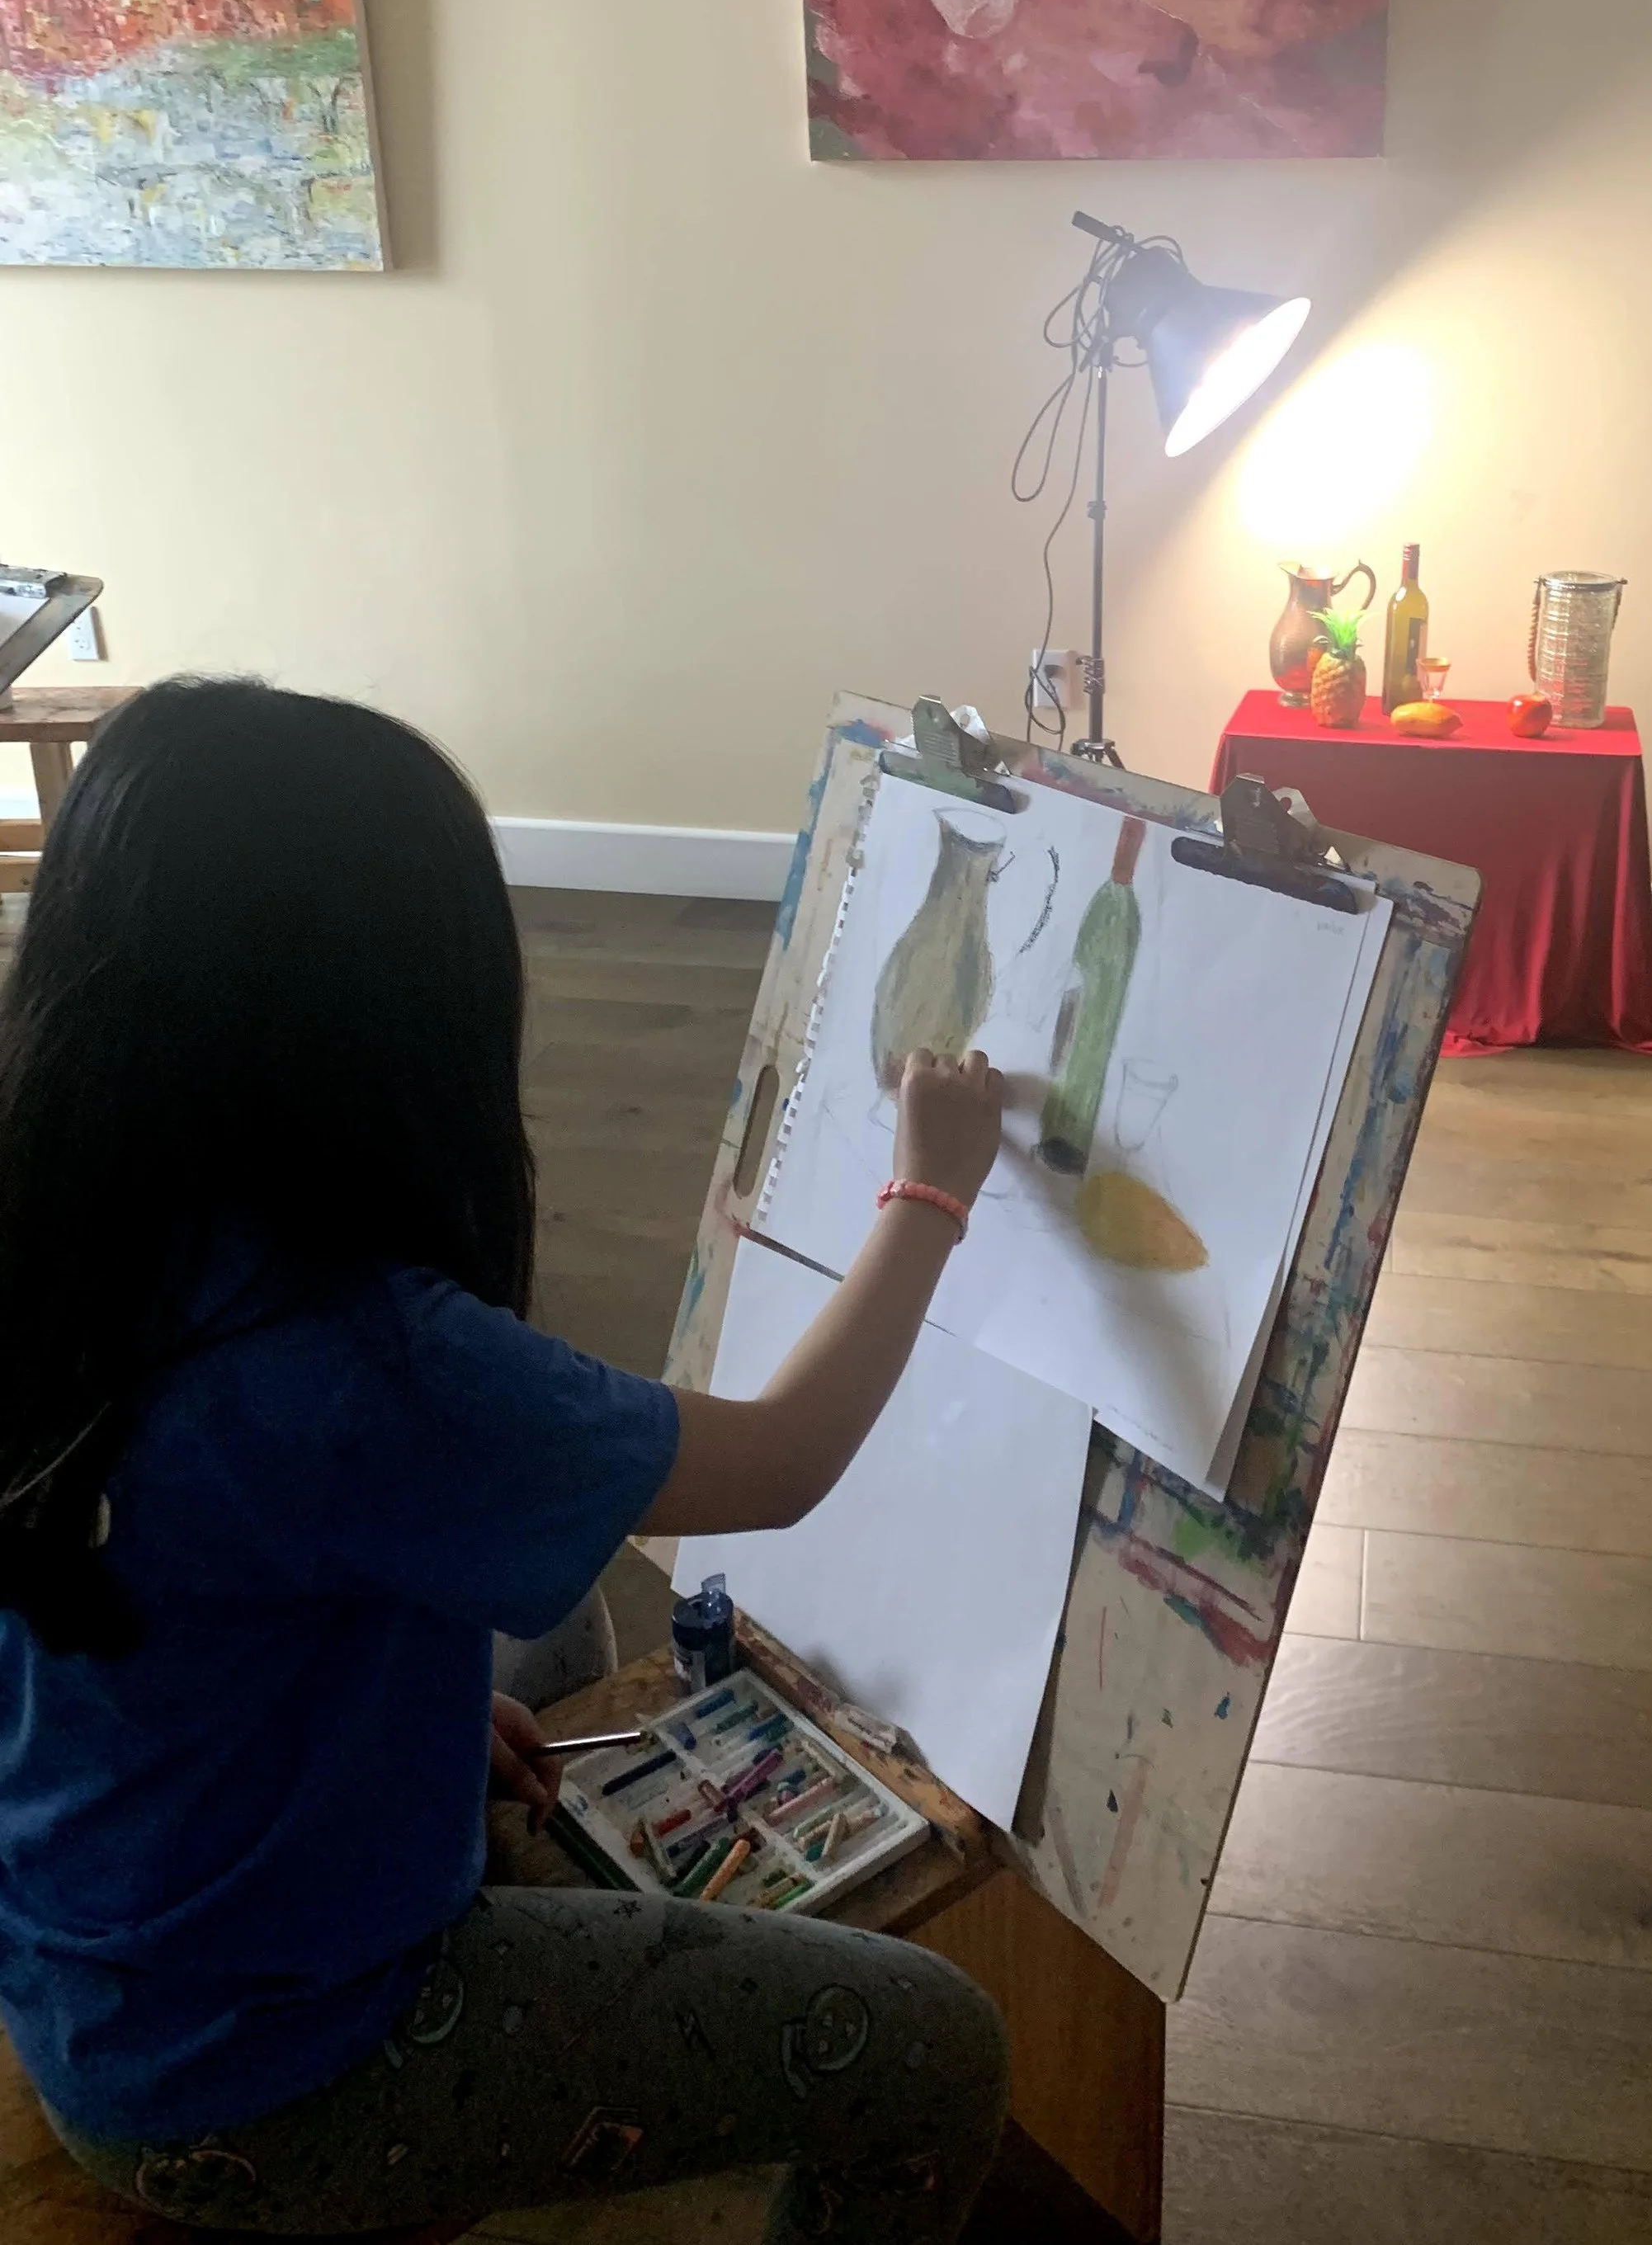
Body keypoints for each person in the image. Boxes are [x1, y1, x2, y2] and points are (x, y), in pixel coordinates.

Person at [0, 677, 1009, 2239]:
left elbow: (154, 1603)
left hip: (91, 1958)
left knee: (559, 1633)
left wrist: (392, 1737)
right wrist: (930, 1195)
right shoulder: (366, 1357)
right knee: (938, 2052)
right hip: (267, 2067)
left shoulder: (63, 1235)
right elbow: (781, 1461)